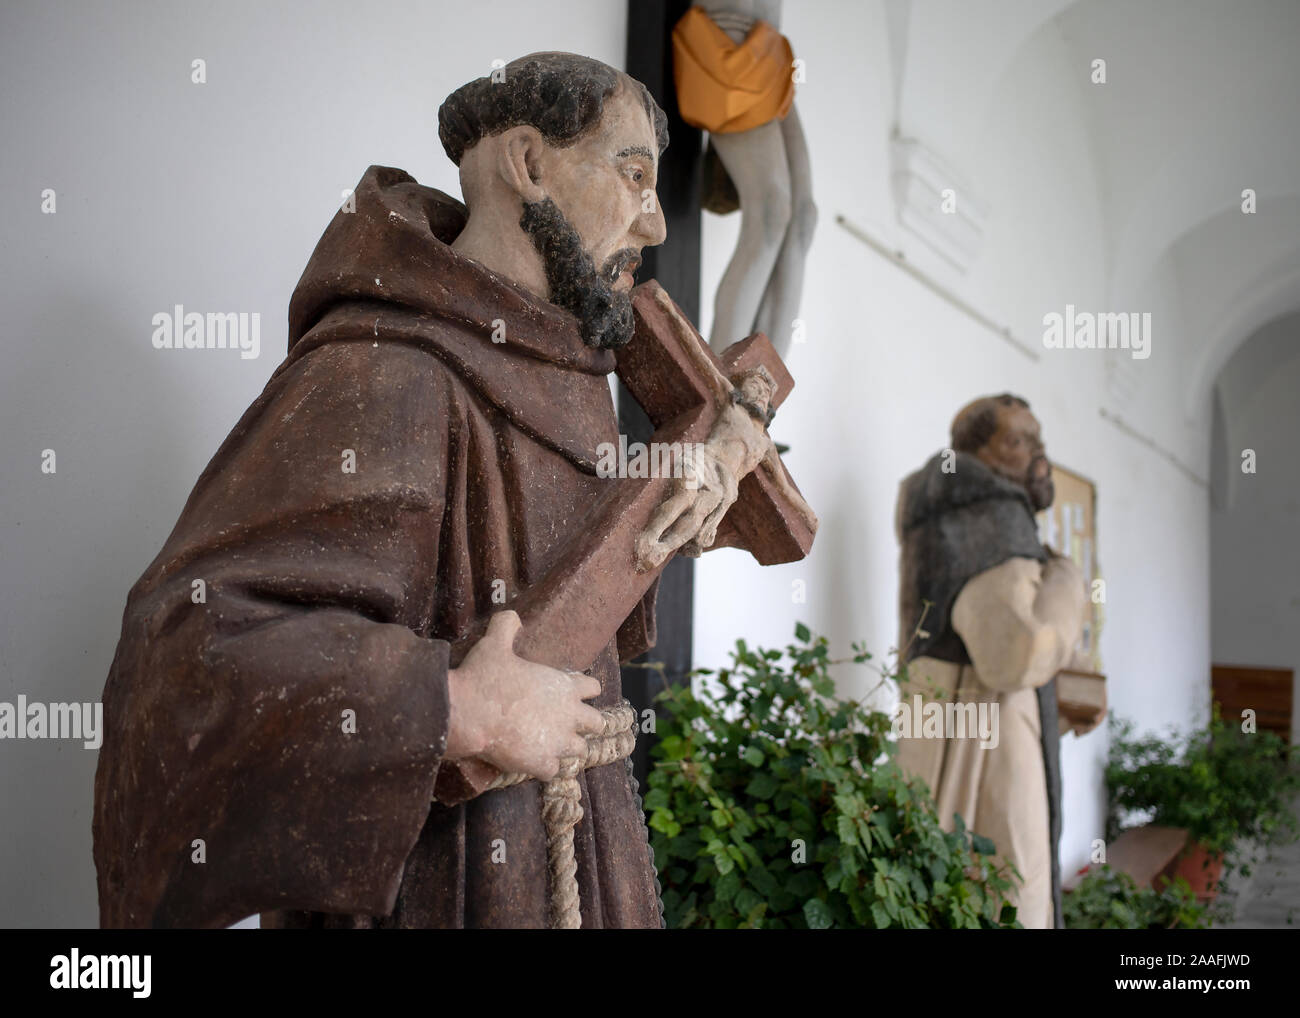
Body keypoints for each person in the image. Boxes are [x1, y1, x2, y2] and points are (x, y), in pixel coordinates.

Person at [93, 52, 764, 929]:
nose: (653, 225)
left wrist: (716, 452)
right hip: (444, 882)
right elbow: (180, 657)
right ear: (527, 166)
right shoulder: (384, 372)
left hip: (584, 848)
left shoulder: (568, 375)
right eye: (632, 175)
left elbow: (593, 591)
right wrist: (451, 708)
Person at [894, 394, 1100, 928]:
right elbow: (1014, 656)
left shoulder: (935, 513)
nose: (1037, 451)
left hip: (937, 722)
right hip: (987, 735)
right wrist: (1065, 580)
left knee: (931, 888)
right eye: (1017, 439)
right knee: (1012, 893)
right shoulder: (988, 513)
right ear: (976, 452)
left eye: (1038, 438)